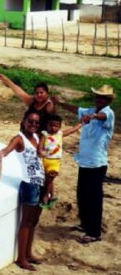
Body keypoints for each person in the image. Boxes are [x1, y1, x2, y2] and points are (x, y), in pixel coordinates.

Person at [55, 84, 115, 244]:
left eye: (103, 98)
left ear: (108, 100)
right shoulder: (89, 111)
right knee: (83, 195)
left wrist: (93, 117)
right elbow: (76, 109)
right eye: (98, 97)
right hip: (84, 161)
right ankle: (86, 224)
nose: (100, 100)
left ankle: (94, 232)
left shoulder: (108, 113)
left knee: (94, 198)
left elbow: (102, 116)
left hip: (97, 163)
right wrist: (60, 103)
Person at [0, 112, 44, 271]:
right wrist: (1, 154)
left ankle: (28, 253)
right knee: (26, 222)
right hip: (29, 184)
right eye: (30, 121)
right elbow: (7, 149)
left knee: (33, 222)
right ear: (23, 122)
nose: (33, 124)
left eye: (36, 123)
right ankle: (21, 258)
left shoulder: (37, 137)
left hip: (39, 183)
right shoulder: (19, 139)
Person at [38, 114, 83, 207]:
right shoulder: (44, 134)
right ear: (47, 125)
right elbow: (40, 146)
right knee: (47, 180)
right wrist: (40, 152)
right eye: (51, 125)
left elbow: (72, 130)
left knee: (50, 178)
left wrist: (81, 123)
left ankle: (46, 195)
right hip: (44, 161)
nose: (53, 128)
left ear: (60, 126)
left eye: (56, 126)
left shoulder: (60, 134)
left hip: (55, 162)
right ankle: (51, 195)